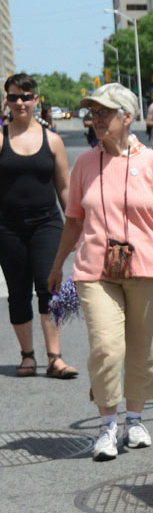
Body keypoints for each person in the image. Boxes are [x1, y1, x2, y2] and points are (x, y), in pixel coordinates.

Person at [46, 84, 153, 460]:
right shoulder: (85, 165)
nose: (96, 117)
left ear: (127, 117)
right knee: (107, 348)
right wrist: (59, 264)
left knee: (144, 351)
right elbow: (74, 220)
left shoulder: (151, 162)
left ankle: (135, 419)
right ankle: (108, 426)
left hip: (148, 267)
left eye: (104, 111)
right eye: (93, 111)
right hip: (95, 269)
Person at [0, 72, 77, 378]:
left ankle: (55, 357)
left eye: (26, 96)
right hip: (7, 227)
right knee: (18, 292)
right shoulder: (1, 137)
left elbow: (65, 189)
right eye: (13, 96)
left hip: (47, 223)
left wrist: (77, 225)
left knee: (49, 286)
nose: (20, 102)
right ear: (6, 100)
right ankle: (27, 356)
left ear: (35, 99)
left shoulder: (53, 140)